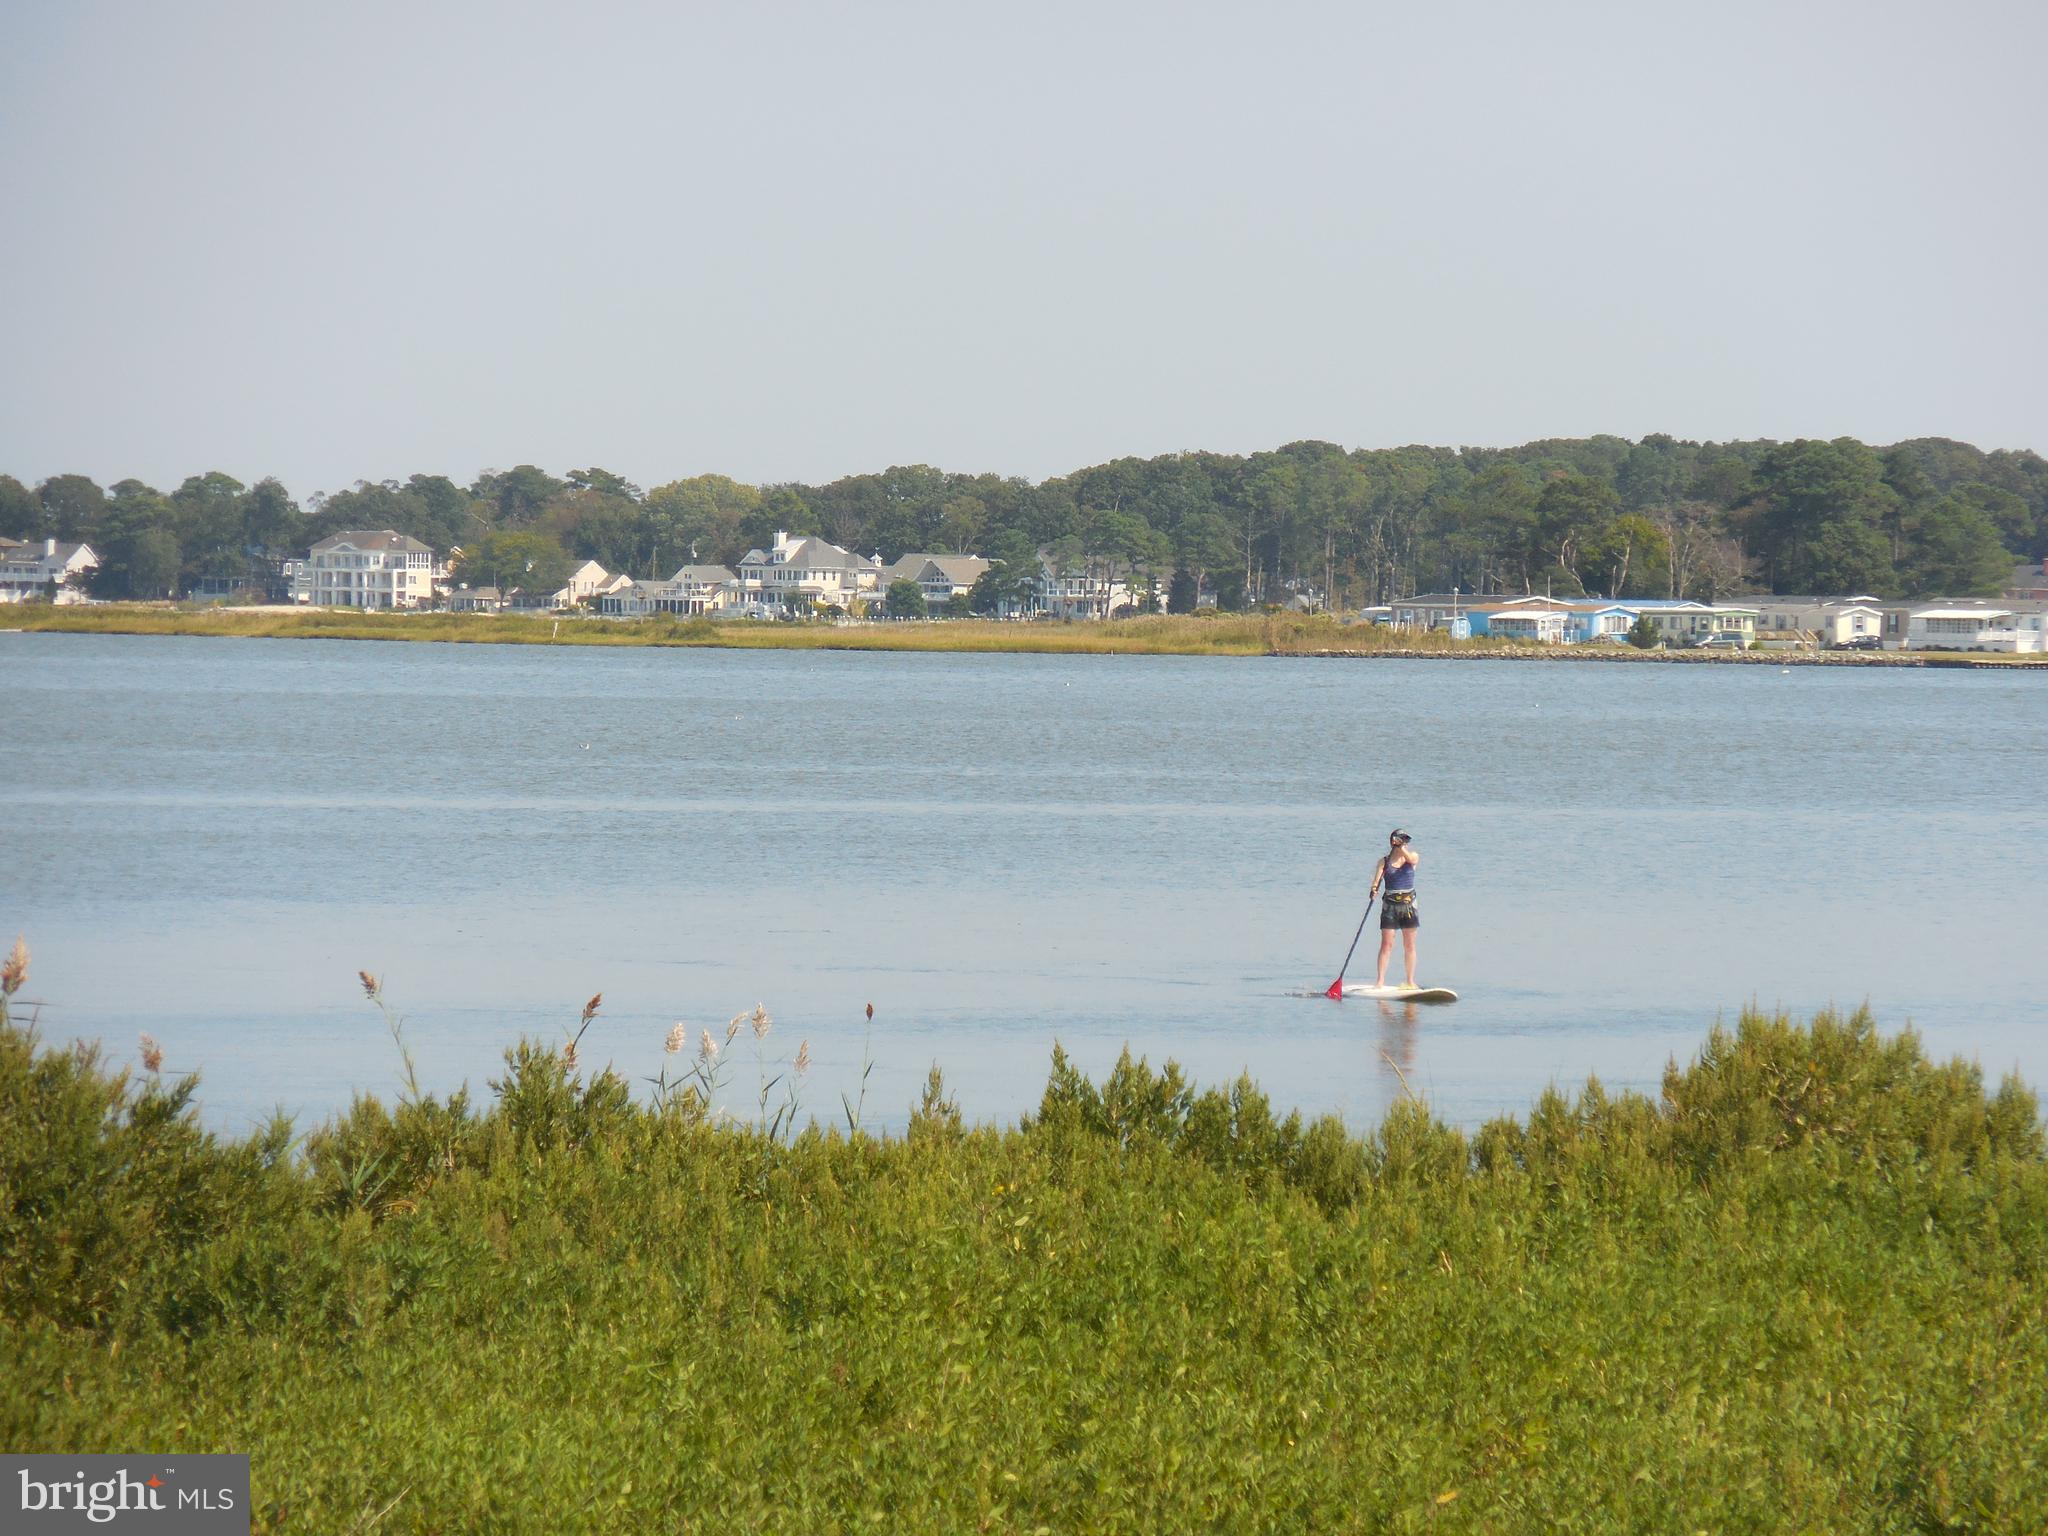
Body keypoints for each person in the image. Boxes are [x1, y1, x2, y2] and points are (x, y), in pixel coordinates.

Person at [1370, 829, 1420, 989]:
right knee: (1387, 944)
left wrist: (1402, 848)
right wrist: (1373, 889)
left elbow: (1412, 860)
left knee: (1409, 945)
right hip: (1390, 906)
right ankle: (1380, 982)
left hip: (1409, 906)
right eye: (1401, 840)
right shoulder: (1383, 862)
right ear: (1393, 841)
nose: (1404, 843)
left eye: (1405, 841)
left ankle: (1410, 981)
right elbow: (1377, 880)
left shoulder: (1412, 857)